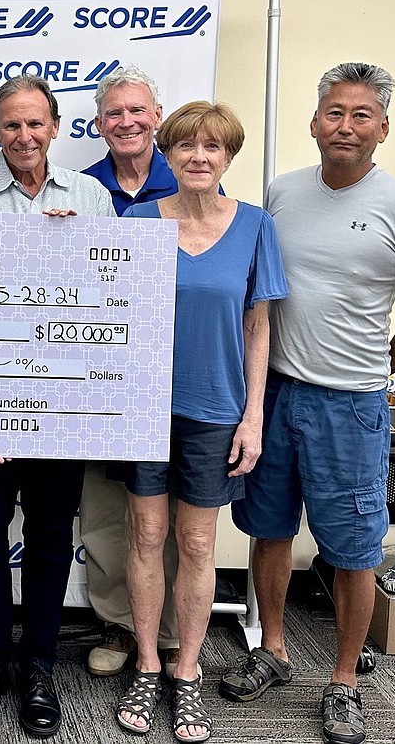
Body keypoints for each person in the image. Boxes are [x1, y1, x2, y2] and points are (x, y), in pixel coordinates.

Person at [222, 62, 395, 744]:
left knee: (352, 549)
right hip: (276, 393)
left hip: (351, 407)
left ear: (383, 128)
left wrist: (374, 370)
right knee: (269, 526)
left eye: (361, 115)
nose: (345, 126)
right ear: (315, 122)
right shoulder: (282, 193)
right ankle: (275, 649)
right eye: (334, 113)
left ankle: (344, 680)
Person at [113, 101, 287, 742]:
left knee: (197, 545)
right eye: (186, 146)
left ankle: (186, 673)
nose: (198, 157)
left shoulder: (255, 227)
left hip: (216, 412)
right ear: (168, 153)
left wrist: (253, 416)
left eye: (213, 148)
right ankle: (148, 663)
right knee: (144, 536)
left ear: (229, 158)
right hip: (143, 406)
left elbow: (258, 325)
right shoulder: (135, 220)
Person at [0, 74, 112, 739]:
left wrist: (78, 251)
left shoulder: (92, 197)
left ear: (55, 128)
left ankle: (39, 662)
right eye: (11, 125)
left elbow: (113, 294)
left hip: (61, 403)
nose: (24, 136)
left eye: (35, 124)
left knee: (49, 538)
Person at [80, 65, 184, 678]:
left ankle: (171, 631)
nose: (126, 122)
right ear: (99, 124)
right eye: (114, 113)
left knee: (168, 516)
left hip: (171, 372)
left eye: (137, 111)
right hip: (96, 373)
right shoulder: (82, 190)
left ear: (157, 116)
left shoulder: (194, 179)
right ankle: (120, 627)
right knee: (104, 512)